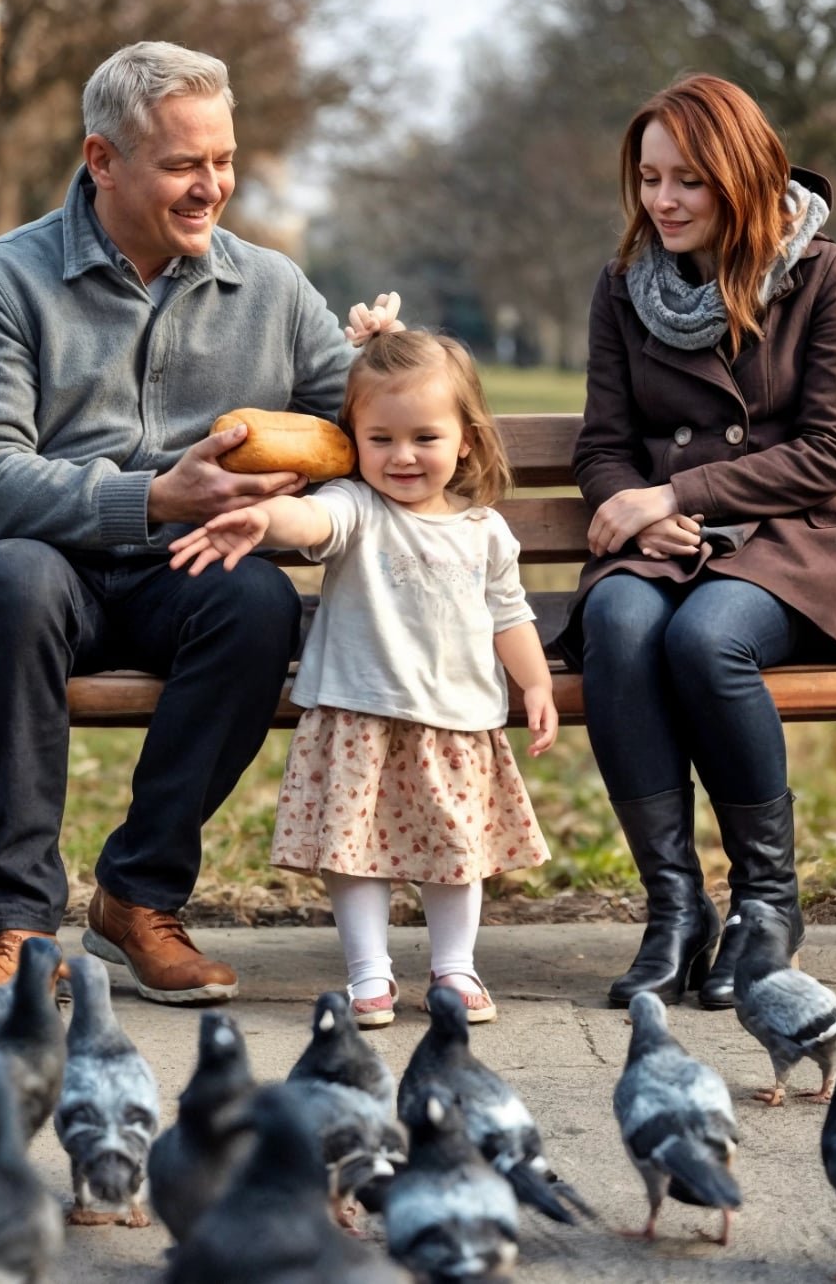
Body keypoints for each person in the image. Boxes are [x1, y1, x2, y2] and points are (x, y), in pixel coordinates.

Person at [0, 40, 397, 1006]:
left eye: (222, 161)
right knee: (19, 580)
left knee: (256, 604)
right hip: (10, 571)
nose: (211, 187)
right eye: (184, 164)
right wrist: (154, 498)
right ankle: (13, 925)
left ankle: (138, 897)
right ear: (103, 161)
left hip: (175, 573)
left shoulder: (270, 287)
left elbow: (369, 429)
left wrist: (391, 364)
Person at [555, 73, 836, 1011]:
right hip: (666, 540)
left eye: (688, 181)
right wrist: (637, 504)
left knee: (710, 637)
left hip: (799, 540)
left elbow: (831, 451)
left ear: (741, 179)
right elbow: (601, 444)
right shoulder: (625, 285)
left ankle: (766, 904)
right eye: (650, 178)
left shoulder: (826, 274)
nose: (662, 200)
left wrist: (679, 489)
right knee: (621, 621)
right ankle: (675, 909)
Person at [171, 329, 558, 1026]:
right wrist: (263, 516)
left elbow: (509, 613)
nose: (402, 457)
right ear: (353, 440)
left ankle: (454, 968)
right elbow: (309, 515)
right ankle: (369, 975)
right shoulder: (358, 508)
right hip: (359, 716)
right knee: (354, 855)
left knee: (456, 851)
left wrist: (533, 684)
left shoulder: (485, 531)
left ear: (466, 439)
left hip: (457, 722)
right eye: (380, 439)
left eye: (424, 438)